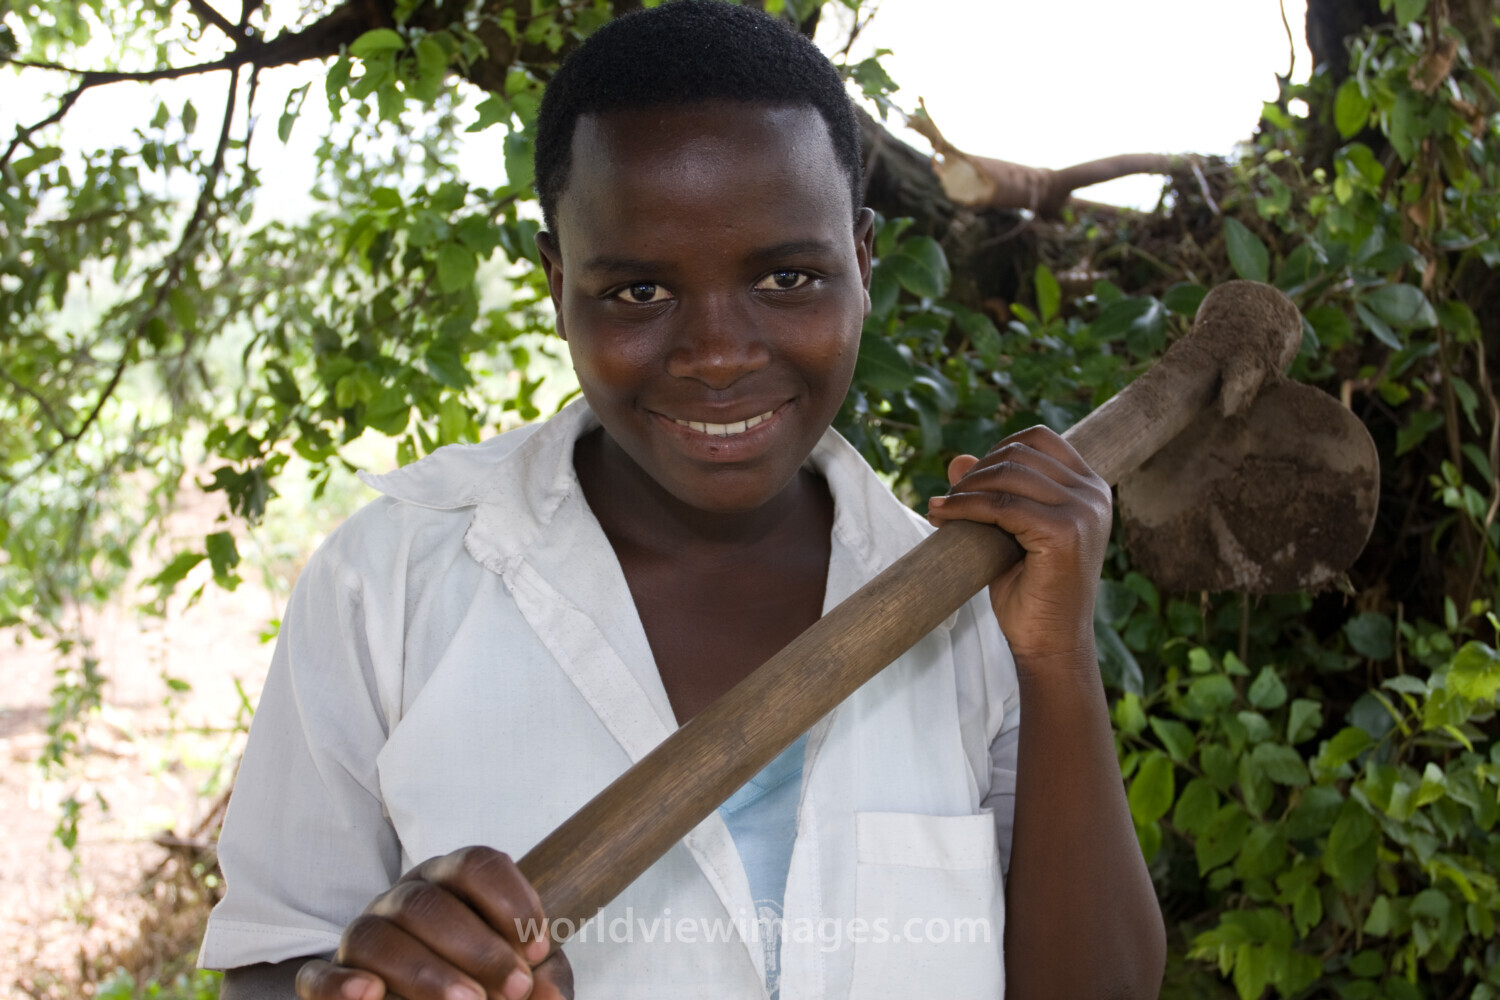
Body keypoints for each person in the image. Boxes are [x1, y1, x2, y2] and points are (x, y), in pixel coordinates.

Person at [205, 3, 1166, 998]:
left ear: (865, 264)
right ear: (556, 281)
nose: (717, 355)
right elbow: (269, 968)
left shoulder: (973, 613)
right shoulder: (389, 587)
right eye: (637, 293)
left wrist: (1056, 655)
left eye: (789, 276)